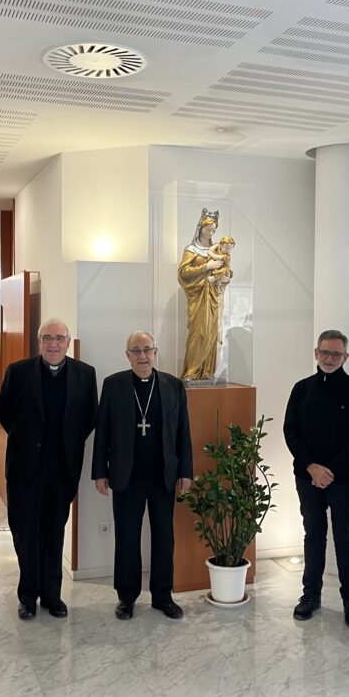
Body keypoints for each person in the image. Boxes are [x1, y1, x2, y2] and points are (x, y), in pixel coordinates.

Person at [0, 318, 97, 620]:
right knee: (25, 532)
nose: (54, 344)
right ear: (39, 341)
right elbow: (6, 415)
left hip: (62, 468)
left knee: (54, 532)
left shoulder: (85, 374)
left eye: (59, 338)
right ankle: (28, 596)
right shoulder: (17, 372)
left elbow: (88, 418)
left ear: (68, 342)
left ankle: (52, 596)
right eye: (47, 338)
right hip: (24, 468)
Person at [92, 331, 193, 620]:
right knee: (126, 537)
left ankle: (163, 596)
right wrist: (100, 472)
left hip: (163, 476)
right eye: (136, 351)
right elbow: (103, 430)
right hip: (127, 476)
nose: (142, 356)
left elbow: (183, 431)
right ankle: (126, 598)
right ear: (127, 355)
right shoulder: (114, 385)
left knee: (164, 538)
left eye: (147, 349)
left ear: (155, 352)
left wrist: (186, 471)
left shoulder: (174, 386)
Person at [283, 329, 349, 626]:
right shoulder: (301, 389)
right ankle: (310, 595)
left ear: (346, 357)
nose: (329, 359)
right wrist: (312, 467)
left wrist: (329, 471)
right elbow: (290, 431)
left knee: (345, 537)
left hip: (344, 478)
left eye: (336, 354)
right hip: (308, 477)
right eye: (325, 352)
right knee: (313, 535)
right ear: (316, 353)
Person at [178, 209, 231, 380]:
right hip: (198, 296)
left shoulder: (217, 251)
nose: (211, 233)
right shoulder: (191, 250)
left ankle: (207, 372)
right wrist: (206, 267)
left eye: (214, 230)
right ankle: (192, 372)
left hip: (214, 298)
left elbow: (225, 271)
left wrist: (225, 278)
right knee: (199, 333)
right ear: (200, 228)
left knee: (212, 334)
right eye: (208, 229)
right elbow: (183, 273)